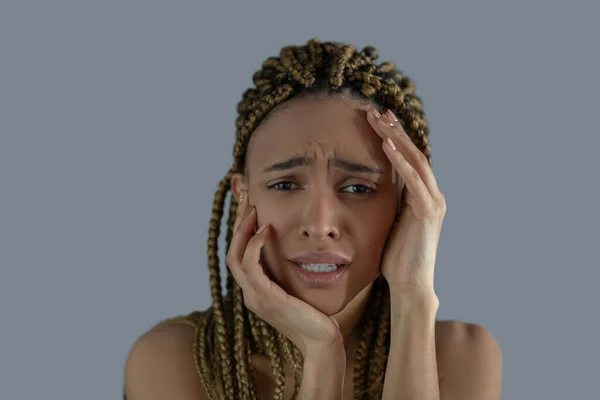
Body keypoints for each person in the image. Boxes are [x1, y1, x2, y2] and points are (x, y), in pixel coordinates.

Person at [123, 38, 503, 400]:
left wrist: (413, 298)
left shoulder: (462, 357)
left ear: (407, 204)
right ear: (244, 194)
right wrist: (322, 355)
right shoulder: (171, 360)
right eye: (286, 184)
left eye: (357, 188)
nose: (320, 226)